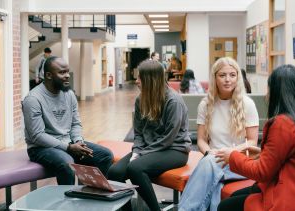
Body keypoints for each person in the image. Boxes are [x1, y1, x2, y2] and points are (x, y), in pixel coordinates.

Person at [216, 64, 295, 211]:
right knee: (237, 196)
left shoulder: (283, 123)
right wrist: (262, 154)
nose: (267, 95)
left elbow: (262, 172)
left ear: (276, 92)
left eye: (269, 89)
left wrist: (231, 156)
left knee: (226, 206)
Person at [107, 60, 191, 211]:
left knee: (135, 168)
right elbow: (138, 132)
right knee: (114, 172)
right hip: (148, 148)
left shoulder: (173, 101)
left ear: (151, 80)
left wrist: (141, 155)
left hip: (174, 149)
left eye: (140, 78)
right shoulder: (141, 99)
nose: (137, 81)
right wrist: (137, 151)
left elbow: (168, 138)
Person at [178, 57, 259, 211]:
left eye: (232, 75)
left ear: (238, 77)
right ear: (215, 77)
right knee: (213, 179)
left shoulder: (247, 104)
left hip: (239, 161)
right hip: (213, 159)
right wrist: (210, 152)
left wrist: (229, 153)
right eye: (222, 75)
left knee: (209, 165)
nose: (228, 80)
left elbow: (253, 142)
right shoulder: (206, 104)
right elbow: (201, 140)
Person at [22, 56, 114, 185]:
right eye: (62, 72)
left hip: (69, 142)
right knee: (67, 163)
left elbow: (75, 123)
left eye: (67, 71)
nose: (67, 76)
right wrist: (68, 147)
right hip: (40, 148)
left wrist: (78, 141)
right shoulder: (33, 99)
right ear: (48, 75)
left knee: (105, 155)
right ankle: (68, 203)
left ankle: (89, 194)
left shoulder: (69, 94)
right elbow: (37, 136)